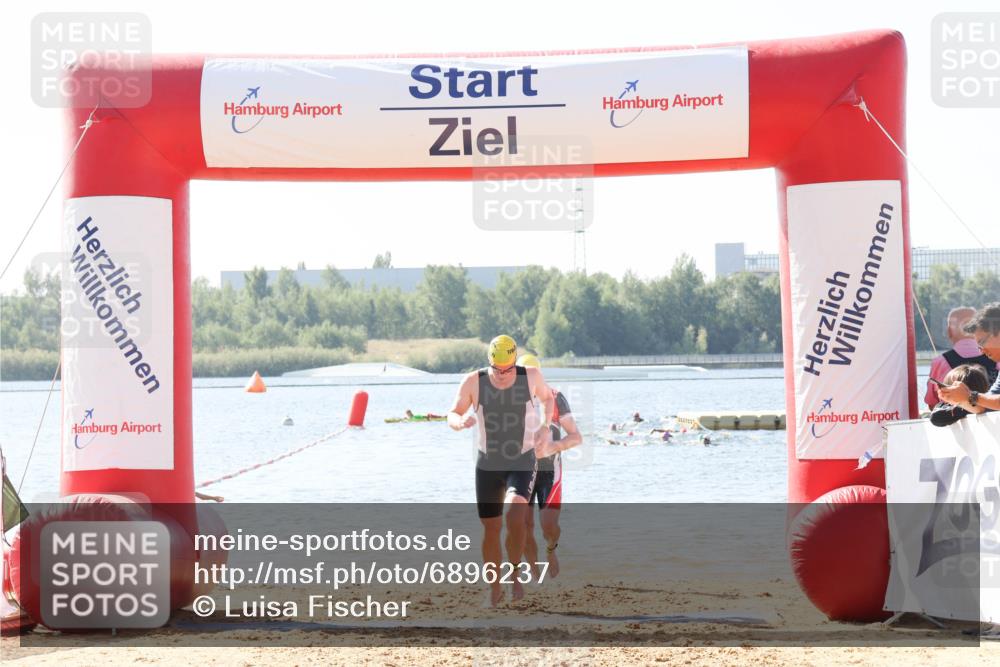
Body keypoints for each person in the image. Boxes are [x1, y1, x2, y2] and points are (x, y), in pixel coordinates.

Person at [447, 335, 554, 606]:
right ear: (490, 363)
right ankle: (494, 587)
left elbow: (548, 399)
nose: (503, 375)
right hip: (488, 464)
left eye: (508, 369)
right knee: (491, 529)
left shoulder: (531, 376)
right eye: (497, 369)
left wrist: (544, 426)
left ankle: (515, 575)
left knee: (515, 514)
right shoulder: (474, 381)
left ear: (515, 362)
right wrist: (459, 421)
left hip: (522, 459)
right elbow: (452, 412)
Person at [517, 354, 583, 581]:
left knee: (548, 527)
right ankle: (534, 567)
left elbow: (576, 437)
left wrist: (554, 446)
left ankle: (551, 550)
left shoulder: (556, 398)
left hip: (549, 473)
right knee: (523, 526)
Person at [925, 306, 1000, 410]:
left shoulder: (940, 361)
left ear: (949, 332)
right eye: (979, 346)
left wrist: (970, 396)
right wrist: (961, 399)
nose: (981, 350)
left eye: (982, 342)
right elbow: (987, 405)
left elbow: (932, 403)